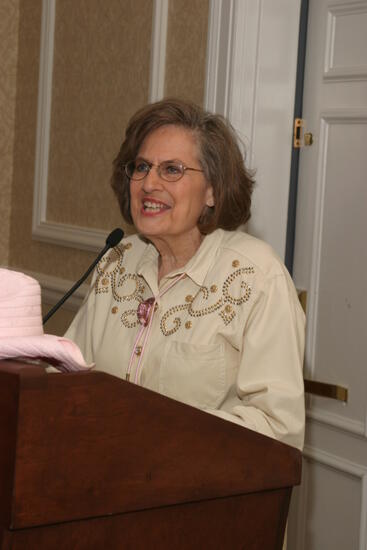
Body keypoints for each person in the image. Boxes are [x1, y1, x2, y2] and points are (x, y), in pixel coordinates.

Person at [65, 98, 305, 450]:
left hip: (195, 496)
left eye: (172, 169)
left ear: (212, 190)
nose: (149, 184)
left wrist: (154, 434)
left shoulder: (257, 277)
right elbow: (69, 374)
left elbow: (276, 426)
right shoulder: (118, 260)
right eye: (142, 166)